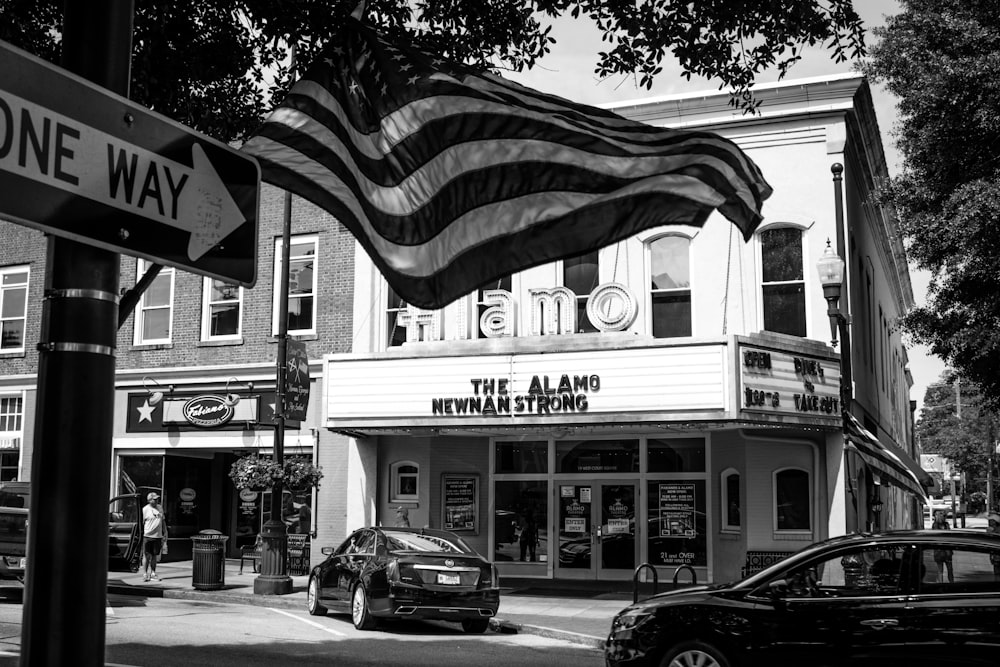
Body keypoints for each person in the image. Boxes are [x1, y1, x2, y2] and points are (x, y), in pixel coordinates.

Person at [141, 491, 168, 583]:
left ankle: (153, 573)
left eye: (157, 499)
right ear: (149, 500)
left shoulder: (160, 508)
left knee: (154, 555)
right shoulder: (145, 509)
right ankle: (145, 574)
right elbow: (142, 522)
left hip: (158, 536)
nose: (157, 501)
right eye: (155, 499)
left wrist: (165, 531)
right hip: (147, 535)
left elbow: (163, 520)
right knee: (146, 555)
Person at [931, 509, 954, 583]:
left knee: (941, 570)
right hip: (945, 551)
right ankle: (950, 583)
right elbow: (949, 536)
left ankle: (942, 585)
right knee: (949, 569)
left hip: (940, 551)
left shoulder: (935, 525)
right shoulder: (945, 525)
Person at [987, 512, 1000, 581]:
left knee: (997, 570)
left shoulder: (995, 531)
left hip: (996, 553)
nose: (989, 522)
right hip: (995, 554)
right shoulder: (991, 530)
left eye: (991, 520)